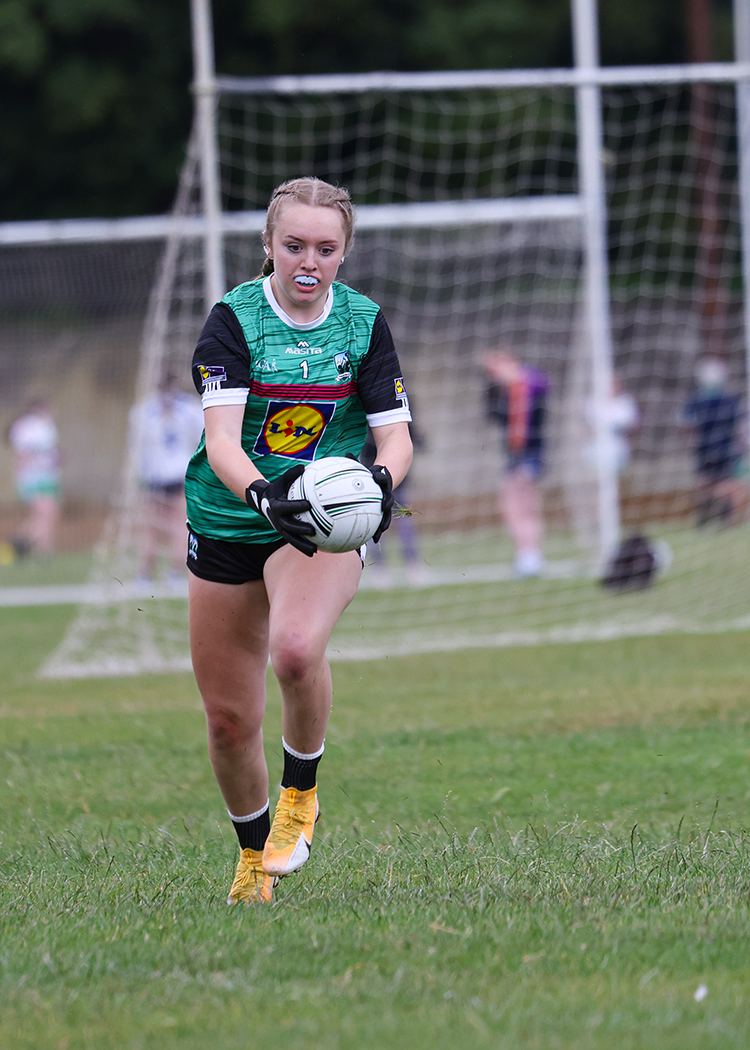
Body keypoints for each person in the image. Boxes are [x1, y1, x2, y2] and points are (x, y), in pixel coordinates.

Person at [184, 177, 413, 905]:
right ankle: (254, 862)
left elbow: (396, 438)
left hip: (318, 523)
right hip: (230, 515)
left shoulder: (363, 323)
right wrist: (261, 493)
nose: (308, 261)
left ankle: (300, 795)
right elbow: (221, 441)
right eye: (294, 246)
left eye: (325, 247)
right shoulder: (234, 321)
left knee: (293, 648)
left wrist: (374, 486)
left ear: (344, 252)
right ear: (268, 247)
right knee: (227, 721)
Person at [129, 372, 204, 583]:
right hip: (161, 476)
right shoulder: (146, 411)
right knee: (160, 526)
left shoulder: (185, 409)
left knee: (172, 525)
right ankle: (153, 572)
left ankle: (165, 573)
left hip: (171, 475)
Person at [481, 350, 548, 577]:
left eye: (493, 369)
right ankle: (528, 555)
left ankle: (530, 557)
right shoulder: (508, 392)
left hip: (528, 455)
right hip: (519, 456)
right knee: (516, 506)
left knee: (521, 506)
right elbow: (494, 417)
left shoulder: (529, 384)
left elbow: (542, 385)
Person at [682, 356, 743, 526]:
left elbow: (686, 425)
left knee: (706, 483)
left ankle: (704, 517)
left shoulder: (696, 400)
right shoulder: (730, 399)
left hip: (705, 446)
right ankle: (724, 517)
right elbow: (738, 424)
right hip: (725, 446)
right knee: (724, 481)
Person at [360, 420, 424, 583]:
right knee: (375, 520)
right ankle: (379, 568)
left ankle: (413, 564)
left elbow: (407, 427)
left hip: (395, 472)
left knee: (403, 517)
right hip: (370, 471)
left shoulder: (400, 399)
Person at [6, 399, 61, 557]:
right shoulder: (28, 427)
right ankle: (16, 547)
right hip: (34, 477)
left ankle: (43, 550)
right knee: (45, 513)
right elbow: (22, 454)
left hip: (46, 476)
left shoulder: (46, 427)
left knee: (47, 514)